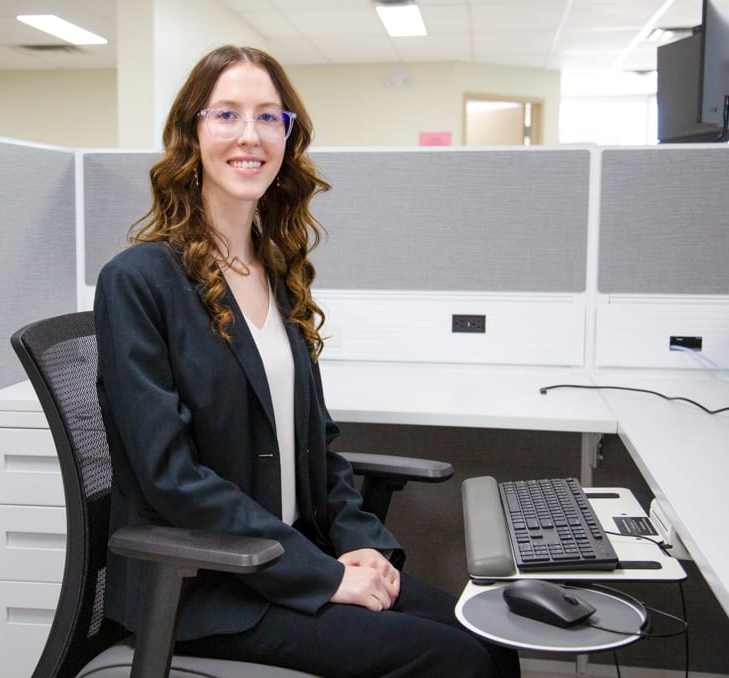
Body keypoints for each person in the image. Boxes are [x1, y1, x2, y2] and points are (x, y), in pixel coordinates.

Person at [94, 44, 520, 678]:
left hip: (297, 557)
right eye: (227, 115)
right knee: (453, 661)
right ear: (192, 132)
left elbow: (319, 445)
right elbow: (170, 479)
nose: (251, 135)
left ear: (288, 138)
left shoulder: (276, 274)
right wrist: (321, 575)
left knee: (490, 637)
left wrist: (365, 548)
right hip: (210, 584)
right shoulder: (139, 281)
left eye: (270, 117)